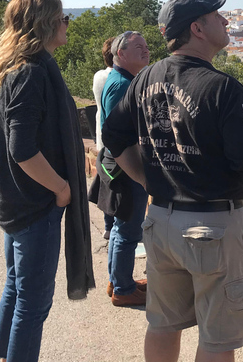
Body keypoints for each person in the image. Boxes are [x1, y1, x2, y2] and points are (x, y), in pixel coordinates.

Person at [102, 0, 243, 362]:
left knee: (163, 324)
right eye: (218, 17)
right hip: (214, 226)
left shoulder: (146, 77)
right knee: (217, 338)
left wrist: (146, 179)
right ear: (197, 28)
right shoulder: (224, 89)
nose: (226, 23)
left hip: (160, 220)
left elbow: (113, 135)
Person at [0, 0, 95, 362]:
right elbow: (21, 148)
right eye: (63, 18)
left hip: (13, 201)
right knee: (33, 306)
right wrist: (61, 188)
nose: (67, 24)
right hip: (35, 205)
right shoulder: (32, 72)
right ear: (45, 24)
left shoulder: (10, 68)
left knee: (15, 288)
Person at [100, 30, 150, 307]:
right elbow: (117, 134)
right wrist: (138, 173)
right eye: (138, 47)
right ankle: (123, 288)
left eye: (146, 46)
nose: (146, 50)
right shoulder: (122, 85)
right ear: (121, 54)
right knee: (129, 230)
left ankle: (117, 281)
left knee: (122, 228)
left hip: (120, 165)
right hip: (126, 167)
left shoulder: (124, 79)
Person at [93, 36, 116, 240]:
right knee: (114, 183)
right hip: (112, 140)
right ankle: (114, 226)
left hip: (100, 135)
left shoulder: (99, 75)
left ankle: (108, 225)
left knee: (105, 181)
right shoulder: (115, 79)